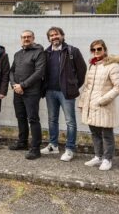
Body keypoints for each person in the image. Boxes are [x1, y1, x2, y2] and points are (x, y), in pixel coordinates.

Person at [41, 27, 87, 161]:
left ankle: (70, 148)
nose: (54, 37)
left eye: (56, 34)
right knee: (52, 119)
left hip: (66, 93)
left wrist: (72, 86)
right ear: (49, 38)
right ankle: (53, 145)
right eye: (51, 35)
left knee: (70, 121)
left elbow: (82, 71)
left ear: (62, 36)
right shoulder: (46, 52)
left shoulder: (72, 51)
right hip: (50, 91)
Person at [79, 40, 119, 171]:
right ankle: (98, 156)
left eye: (99, 49)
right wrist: (83, 102)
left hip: (104, 106)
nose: (96, 52)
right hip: (90, 105)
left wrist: (102, 100)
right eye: (93, 50)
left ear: (105, 49)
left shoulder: (113, 66)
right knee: (95, 133)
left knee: (107, 134)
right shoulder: (92, 66)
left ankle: (107, 159)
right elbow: (87, 87)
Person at [9, 30, 46, 160]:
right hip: (17, 91)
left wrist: (22, 85)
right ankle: (22, 142)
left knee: (33, 119)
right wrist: (14, 85)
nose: (26, 39)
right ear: (21, 39)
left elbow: (39, 72)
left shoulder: (39, 52)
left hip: (31, 92)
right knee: (20, 117)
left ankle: (35, 149)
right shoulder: (17, 54)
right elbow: (11, 71)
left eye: (28, 37)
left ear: (33, 38)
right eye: (24, 37)